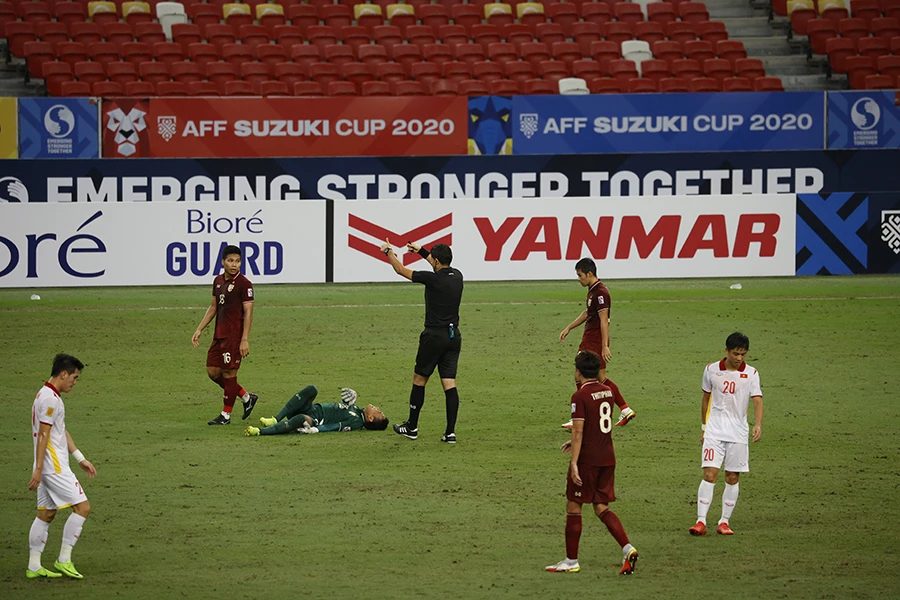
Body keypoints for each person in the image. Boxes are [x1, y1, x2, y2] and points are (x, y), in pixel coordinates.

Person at [546, 351, 639, 575]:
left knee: (574, 505)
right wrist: (577, 440)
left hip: (588, 460)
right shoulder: (607, 392)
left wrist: (575, 462)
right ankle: (628, 548)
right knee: (601, 506)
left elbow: (578, 431)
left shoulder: (580, 396)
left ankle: (571, 561)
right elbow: (595, 426)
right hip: (607, 457)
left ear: (577, 372)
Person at [379, 239, 463, 444]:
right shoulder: (457, 275)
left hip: (433, 337)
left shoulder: (432, 279)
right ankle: (450, 433)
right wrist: (422, 251)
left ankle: (412, 427)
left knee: (419, 380)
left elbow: (400, 270)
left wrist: (389, 251)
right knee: (449, 384)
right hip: (454, 337)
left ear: (435, 261)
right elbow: (437, 265)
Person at [26, 354, 97, 580]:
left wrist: (80, 457)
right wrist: (38, 469)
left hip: (49, 466)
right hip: (53, 467)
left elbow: (59, 430)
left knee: (46, 514)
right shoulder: (50, 399)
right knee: (83, 508)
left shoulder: (46, 394)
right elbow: (44, 434)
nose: (75, 382)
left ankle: (34, 566)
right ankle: (64, 559)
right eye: (74, 377)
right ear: (63, 374)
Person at [689, 332, 764, 537]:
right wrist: (704, 427)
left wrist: (758, 424)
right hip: (714, 430)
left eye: (743, 354)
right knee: (709, 474)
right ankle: (701, 521)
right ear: (726, 351)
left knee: (732, 477)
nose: (739, 358)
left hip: (738, 433)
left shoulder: (752, 373)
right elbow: (705, 398)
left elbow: (757, 400)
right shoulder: (711, 370)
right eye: (735, 353)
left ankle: (724, 521)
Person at [559, 258, 635, 429]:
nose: (578, 279)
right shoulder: (593, 290)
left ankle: (579, 416)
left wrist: (604, 345)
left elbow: (603, 320)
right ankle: (625, 409)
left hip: (594, 340)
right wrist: (569, 327)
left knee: (579, 373)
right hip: (593, 338)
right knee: (601, 378)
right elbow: (588, 313)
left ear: (589, 273)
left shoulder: (600, 293)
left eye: (580, 275)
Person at [191, 244, 259, 426]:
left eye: (238, 261)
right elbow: (214, 306)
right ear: (223, 262)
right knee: (213, 372)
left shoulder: (245, 284)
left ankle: (225, 415)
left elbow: (249, 312)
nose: (234, 264)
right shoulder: (218, 281)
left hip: (234, 336)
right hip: (219, 334)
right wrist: (199, 328)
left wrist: (244, 339)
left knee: (229, 373)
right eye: (230, 261)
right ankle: (246, 397)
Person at [244, 385, 388, 436]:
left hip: (315, 420)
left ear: (370, 419)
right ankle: (275, 419)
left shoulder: (356, 422)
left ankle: (260, 432)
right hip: (312, 409)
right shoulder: (356, 410)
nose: (379, 408)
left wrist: (316, 429)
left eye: (379, 413)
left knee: (301, 419)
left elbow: (335, 426)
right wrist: (349, 399)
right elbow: (342, 409)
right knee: (311, 390)